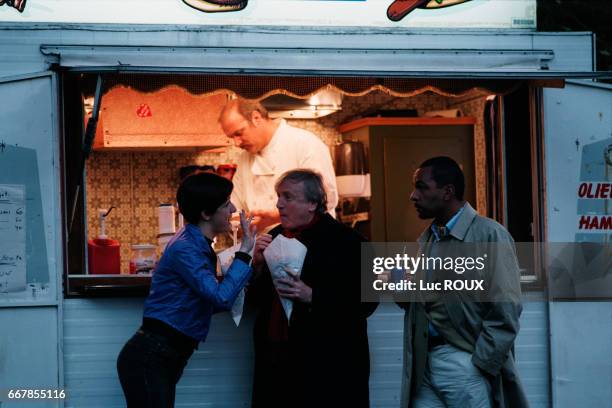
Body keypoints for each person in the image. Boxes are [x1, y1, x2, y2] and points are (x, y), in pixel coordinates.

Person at [116, 172, 256, 408]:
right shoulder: (187, 249)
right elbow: (221, 298)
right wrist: (245, 252)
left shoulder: (195, 242)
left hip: (161, 355)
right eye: (225, 203)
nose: (232, 208)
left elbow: (203, 302)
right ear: (206, 214)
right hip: (151, 356)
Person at [399, 156, 528, 408]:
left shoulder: (489, 234)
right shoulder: (427, 240)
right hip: (424, 364)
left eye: (422, 187)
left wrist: (481, 363)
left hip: (464, 362)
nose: (413, 195)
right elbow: (423, 304)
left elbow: (506, 307)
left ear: (448, 192)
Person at [249, 169, 377, 408]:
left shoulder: (349, 241)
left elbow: (368, 303)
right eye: (278, 196)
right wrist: (255, 266)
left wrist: (313, 296)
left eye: (288, 197)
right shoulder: (273, 237)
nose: (279, 204)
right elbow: (257, 300)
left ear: (312, 203)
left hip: (329, 364)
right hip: (276, 360)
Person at [219, 98, 338, 230]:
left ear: (256, 118)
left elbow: (326, 199)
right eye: (232, 137)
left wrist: (275, 218)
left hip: (311, 244)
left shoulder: (306, 144)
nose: (236, 143)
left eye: (239, 133)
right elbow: (235, 207)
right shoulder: (244, 159)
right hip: (265, 248)